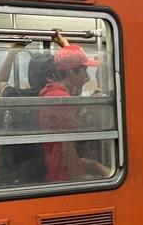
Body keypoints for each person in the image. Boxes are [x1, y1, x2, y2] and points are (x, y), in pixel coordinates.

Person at [39, 44, 109, 181]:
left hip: (55, 167)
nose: (88, 77)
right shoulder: (62, 101)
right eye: (85, 70)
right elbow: (67, 148)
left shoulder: (52, 93)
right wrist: (80, 178)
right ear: (71, 72)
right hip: (64, 175)